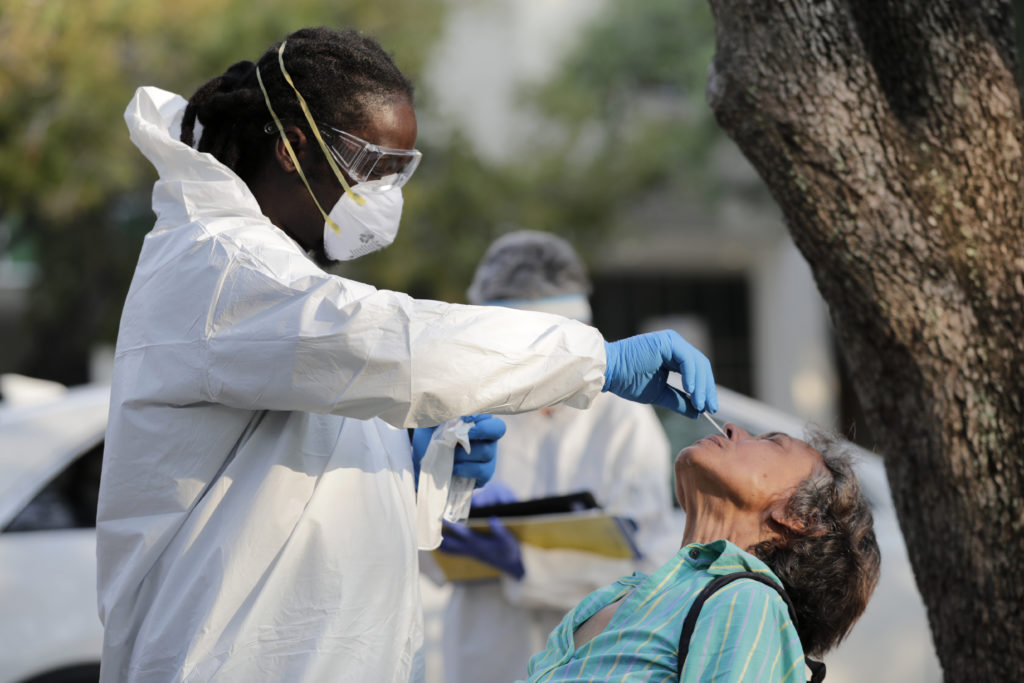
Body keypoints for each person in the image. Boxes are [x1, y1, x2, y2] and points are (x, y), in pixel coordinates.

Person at [96, 26, 719, 683]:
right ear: (290, 148)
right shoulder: (221, 268)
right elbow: (396, 346)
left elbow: (306, 496)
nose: (386, 195)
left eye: (401, 170)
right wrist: (597, 358)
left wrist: (418, 464)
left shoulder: (279, 283)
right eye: (373, 166)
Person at [432, 230, 681, 683]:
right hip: (480, 657)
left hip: (588, 663)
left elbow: (649, 569)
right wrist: (427, 524)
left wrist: (528, 564)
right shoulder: (468, 409)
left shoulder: (621, 422)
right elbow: (415, 565)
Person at [522, 424, 881, 682]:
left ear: (801, 516)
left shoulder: (746, 601)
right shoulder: (615, 595)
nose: (731, 428)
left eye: (771, 443)